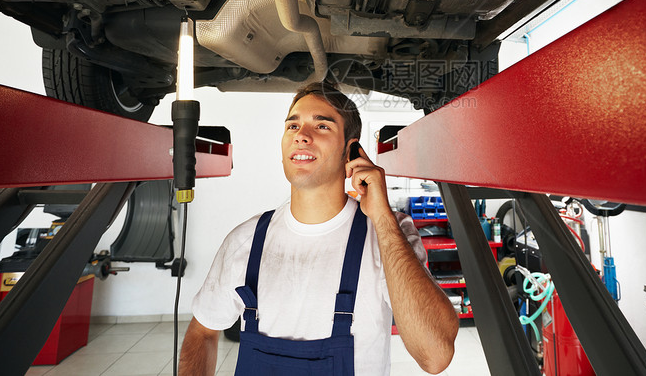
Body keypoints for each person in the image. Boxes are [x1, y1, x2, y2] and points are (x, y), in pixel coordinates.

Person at [179, 81, 458, 375]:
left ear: (351, 151)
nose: (302, 136)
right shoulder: (245, 240)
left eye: (322, 126)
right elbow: (203, 332)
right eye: (293, 126)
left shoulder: (387, 234)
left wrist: (383, 217)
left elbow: (435, 355)